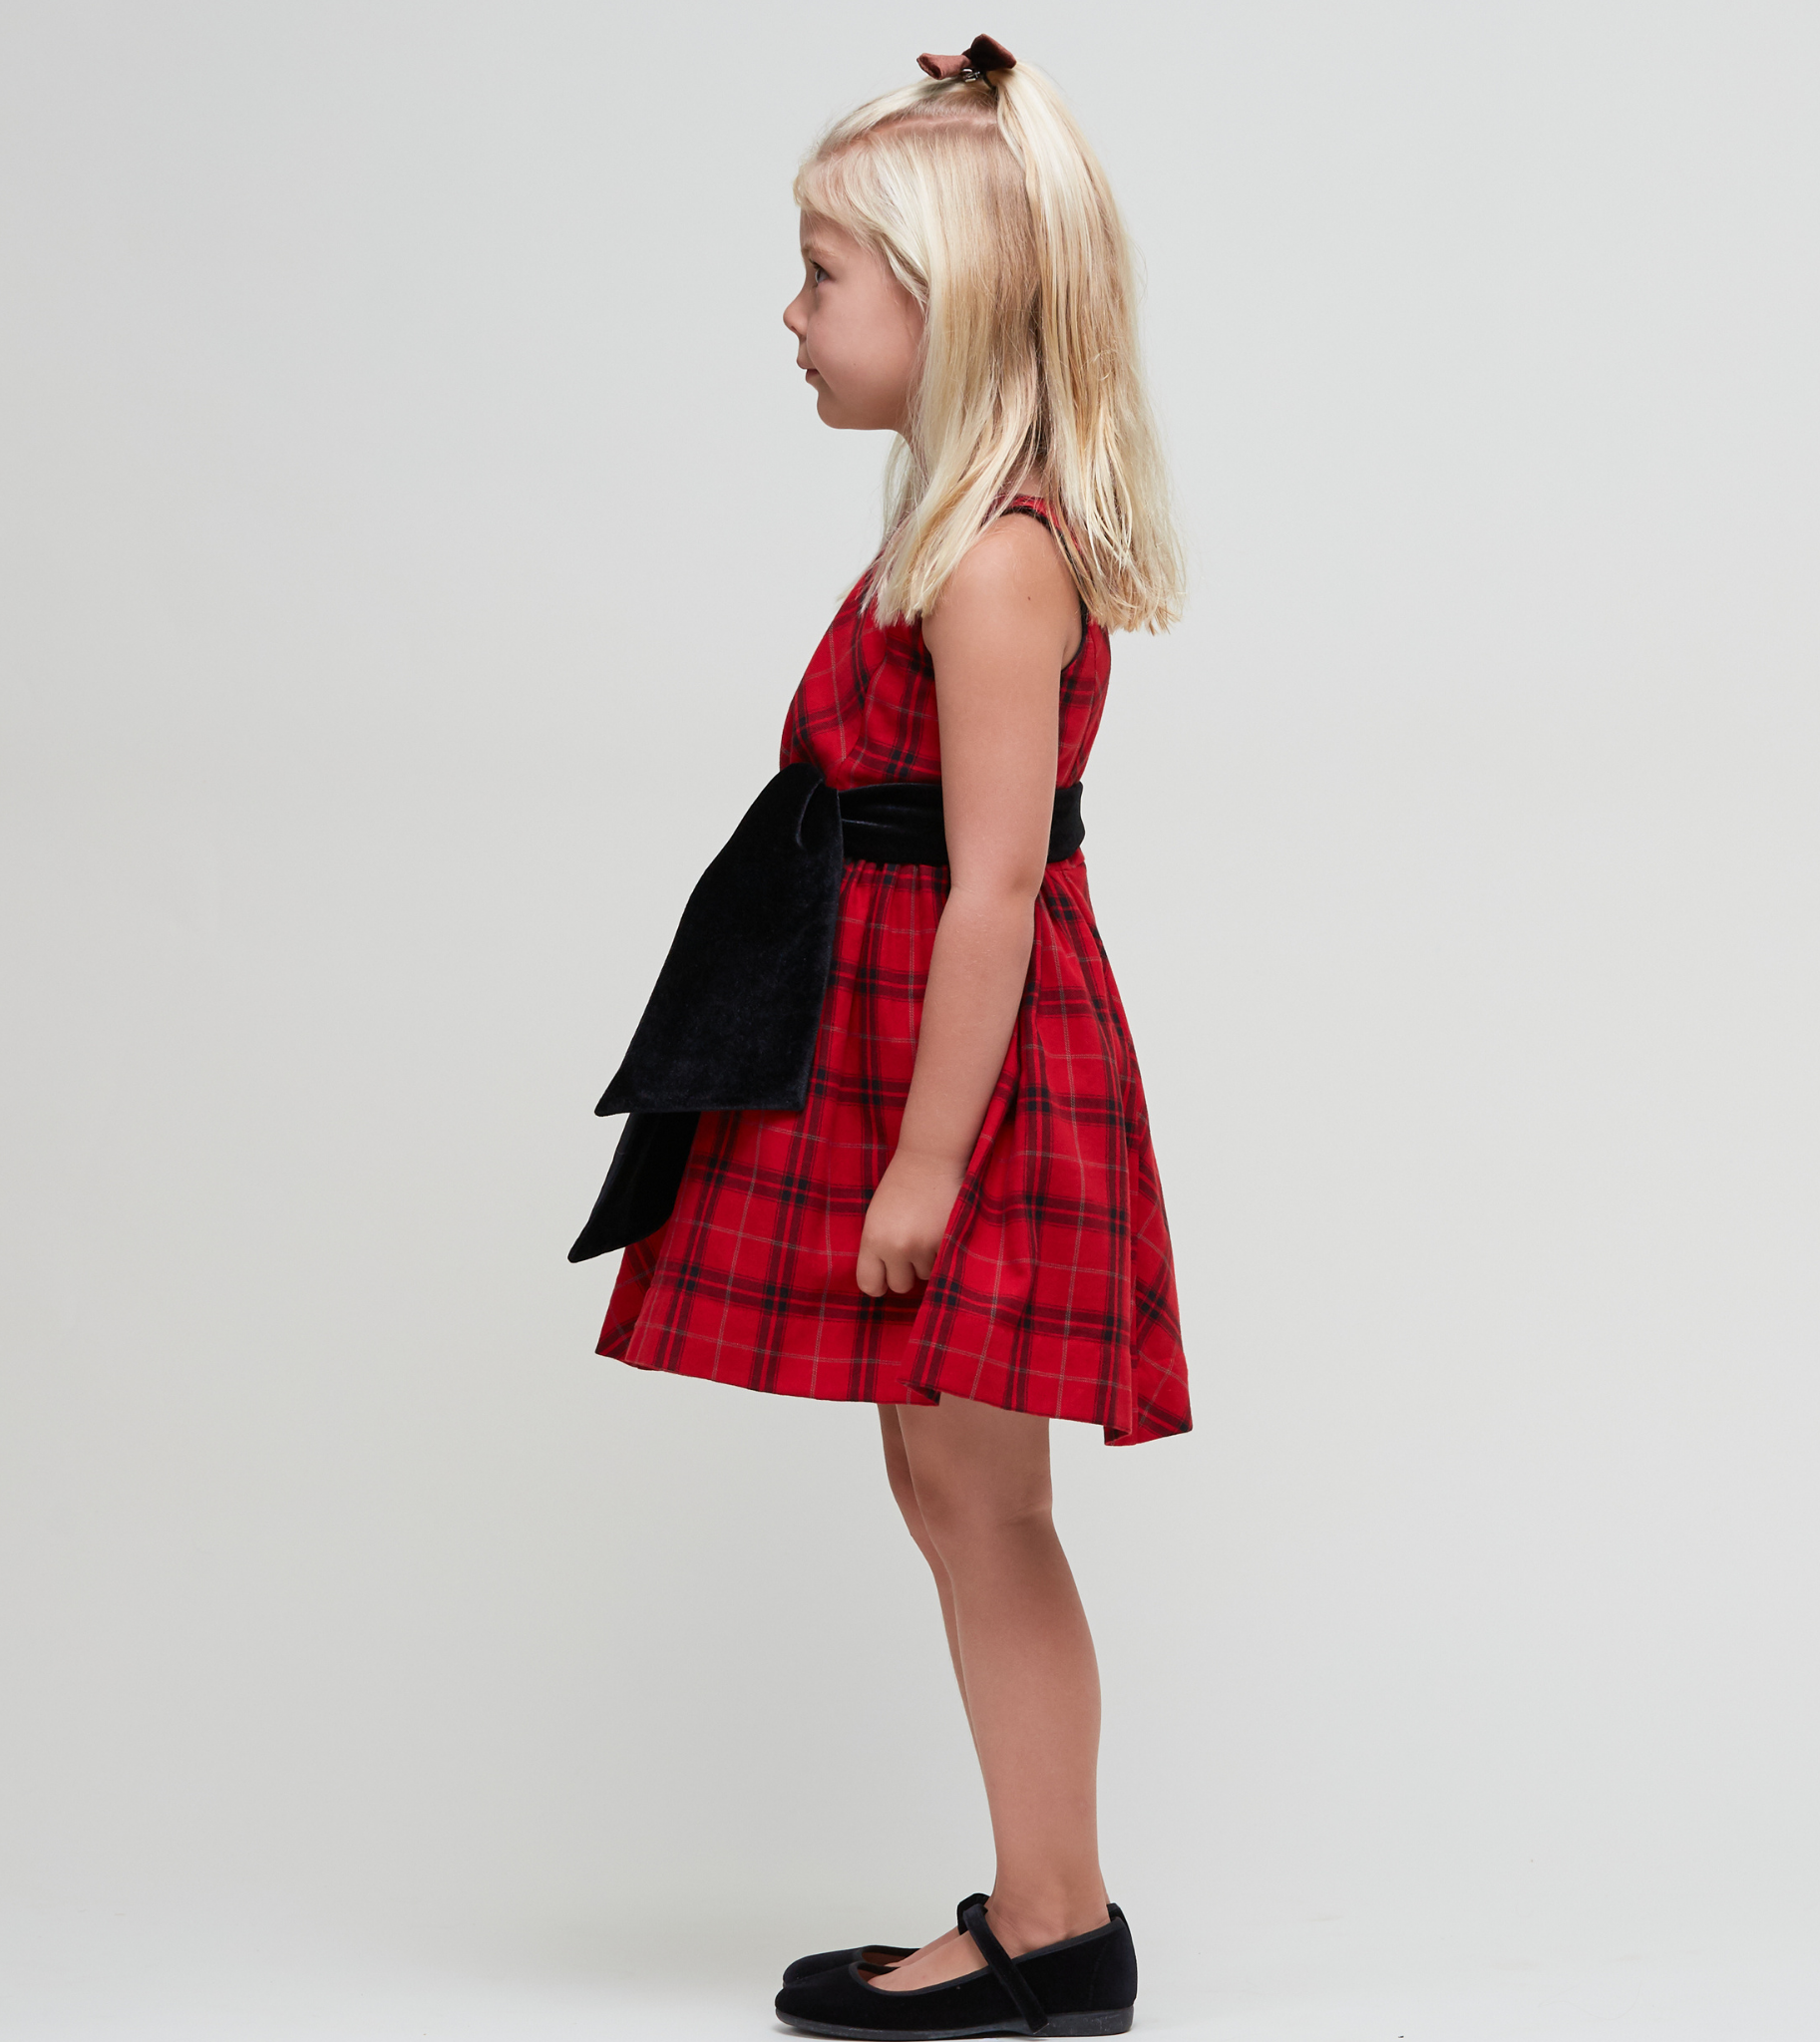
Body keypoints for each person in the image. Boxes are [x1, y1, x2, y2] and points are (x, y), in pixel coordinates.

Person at [572, 36, 1188, 2040]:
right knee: (947, 1489)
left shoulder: (996, 560)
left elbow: (994, 886)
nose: (792, 312)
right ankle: (1044, 1906)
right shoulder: (957, 535)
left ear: (948, 302)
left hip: (968, 1070)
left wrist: (927, 1159)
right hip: (910, 1036)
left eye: (824, 273)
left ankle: (1056, 1924)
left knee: (983, 1501)